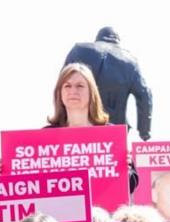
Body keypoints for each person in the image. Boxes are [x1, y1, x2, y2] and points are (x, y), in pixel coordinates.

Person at [47, 62, 139, 193]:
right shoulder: (46, 135)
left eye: (80, 86)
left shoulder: (111, 135)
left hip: (100, 212)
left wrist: (125, 169)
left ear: (91, 92)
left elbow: (131, 186)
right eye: (67, 86)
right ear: (59, 94)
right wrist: (8, 170)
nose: (73, 91)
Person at [64, 27, 152, 141]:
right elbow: (145, 95)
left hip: (79, 127)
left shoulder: (79, 50)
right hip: (114, 131)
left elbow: (63, 86)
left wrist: (60, 121)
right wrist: (144, 131)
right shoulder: (130, 61)